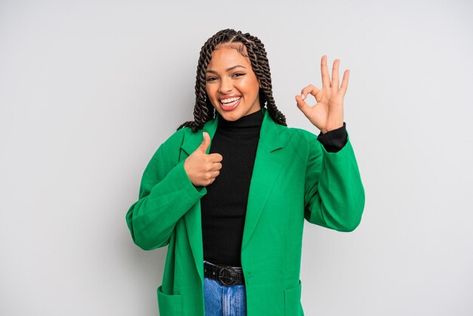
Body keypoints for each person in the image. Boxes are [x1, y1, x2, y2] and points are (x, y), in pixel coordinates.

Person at [125, 28, 365, 316]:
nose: (224, 87)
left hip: (266, 303)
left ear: (260, 79)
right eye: (213, 78)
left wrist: (334, 135)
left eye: (236, 74)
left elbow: (344, 216)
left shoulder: (298, 148)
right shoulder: (183, 146)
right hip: (197, 300)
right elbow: (143, 233)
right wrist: (184, 180)